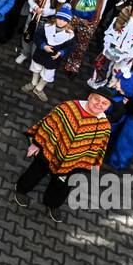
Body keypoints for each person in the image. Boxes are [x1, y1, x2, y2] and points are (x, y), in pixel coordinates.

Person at [12, 89, 114, 222]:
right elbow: (49, 123)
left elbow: (101, 146)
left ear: (108, 107)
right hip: (51, 151)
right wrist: (37, 143)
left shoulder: (104, 125)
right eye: (97, 99)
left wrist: (95, 163)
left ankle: (53, 203)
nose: (99, 104)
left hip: (74, 162)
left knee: (63, 184)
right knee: (36, 171)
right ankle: (21, 189)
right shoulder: (68, 107)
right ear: (89, 97)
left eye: (104, 103)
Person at [22, 4, 74, 101]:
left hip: (53, 58)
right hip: (41, 54)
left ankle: (39, 88)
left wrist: (61, 53)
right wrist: (43, 45)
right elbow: (37, 36)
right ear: (56, 18)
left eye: (64, 20)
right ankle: (33, 83)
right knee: (36, 68)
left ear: (68, 22)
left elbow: (69, 47)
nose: (61, 22)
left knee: (48, 74)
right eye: (59, 19)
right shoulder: (47, 26)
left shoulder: (70, 34)